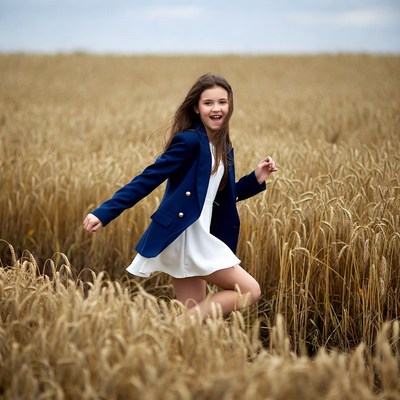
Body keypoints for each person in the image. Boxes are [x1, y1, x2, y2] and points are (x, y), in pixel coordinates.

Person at [83, 73, 277, 320]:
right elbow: (148, 178)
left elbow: (216, 196)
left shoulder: (222, 145)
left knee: (192, 318)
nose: (216, 108)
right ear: (196, 108)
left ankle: (166, 341)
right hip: (186, 233)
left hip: (199, 232)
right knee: (249, 290)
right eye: (208, 103)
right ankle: (168, 330)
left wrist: (256, 178)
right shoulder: (189, 141)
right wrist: (104, 212)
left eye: (222, 102)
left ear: (230, 106)